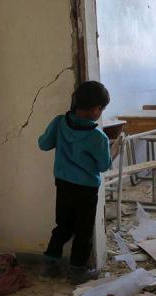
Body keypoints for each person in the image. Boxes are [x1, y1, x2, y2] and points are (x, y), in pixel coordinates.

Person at [37, 81, 112, 285]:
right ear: (96, 109)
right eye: (101, 109)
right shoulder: (98, 137)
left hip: (62, 183)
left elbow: (43, 144)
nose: (101, 112)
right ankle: (77, 271)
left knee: (63, 225)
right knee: (83, 230)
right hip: (86, 189)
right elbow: (104, 166)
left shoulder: (59, 122)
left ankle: (49, 264)